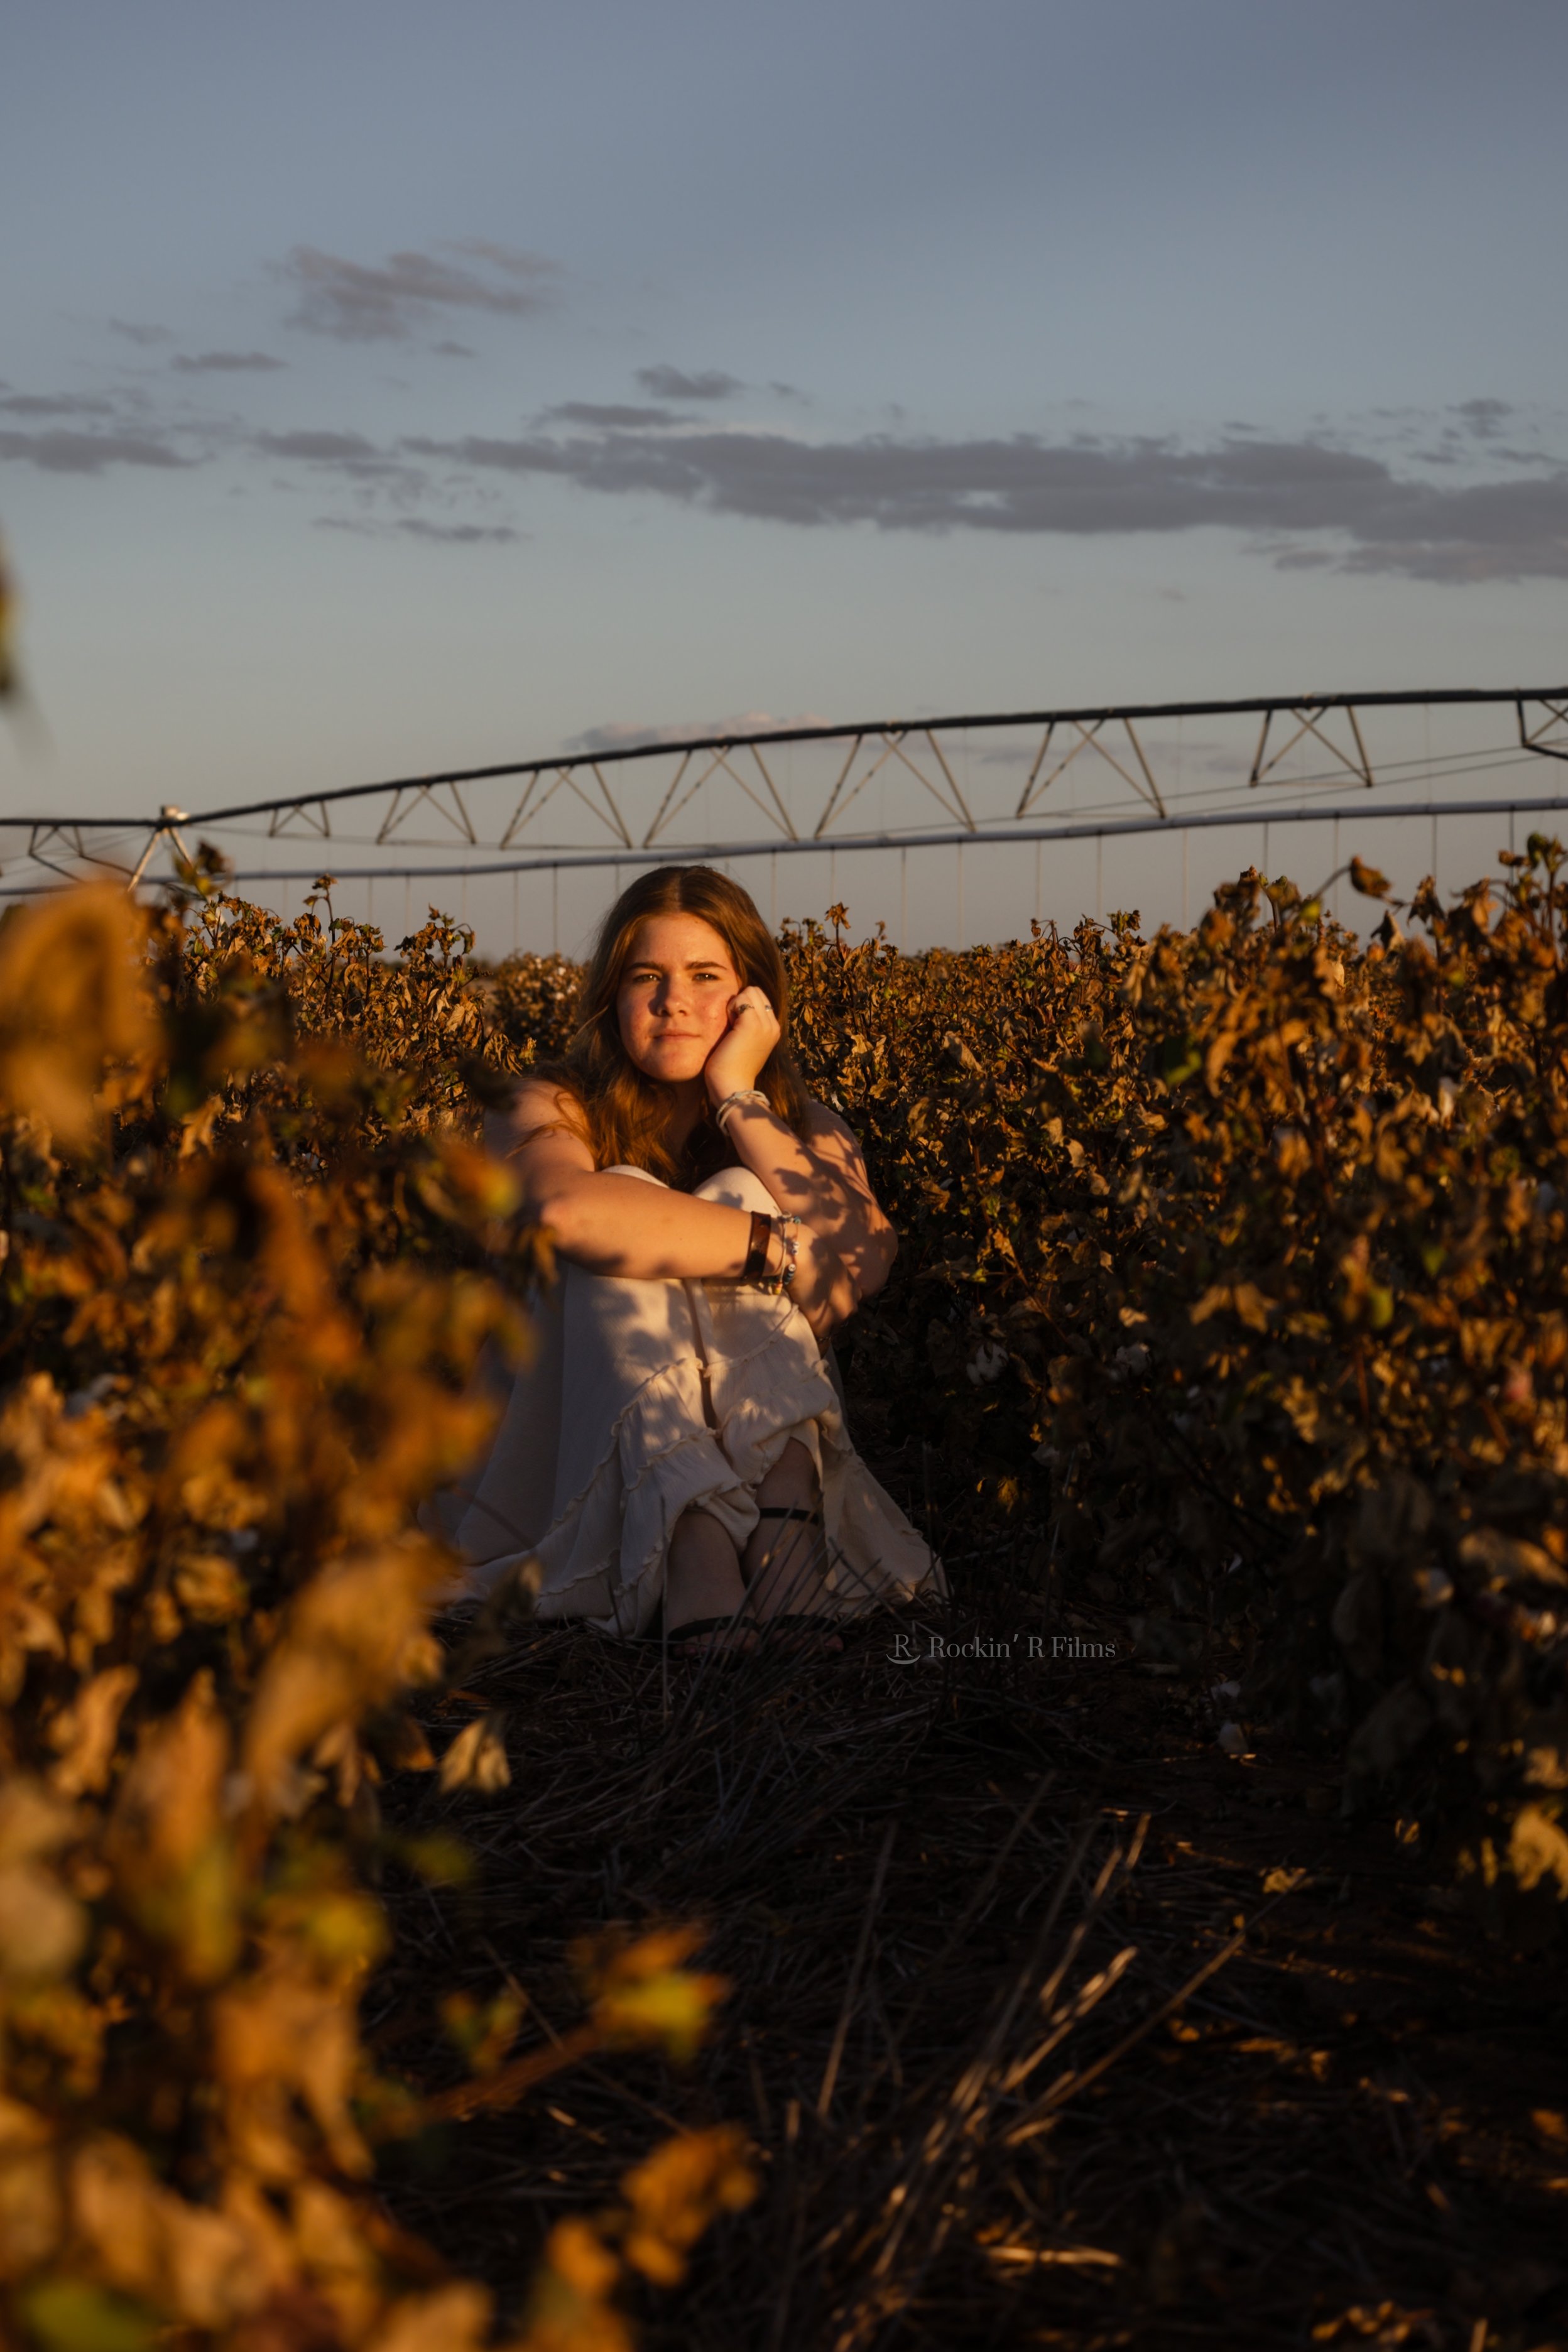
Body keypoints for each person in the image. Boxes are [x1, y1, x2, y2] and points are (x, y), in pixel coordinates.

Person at [454, 864, 944, 1649]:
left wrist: (737, 1093)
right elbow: (564, 1209)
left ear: (753, 998)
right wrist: (777, 1248)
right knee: (622, 1197)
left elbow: (865, 1254)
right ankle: (694, 1544)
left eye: (705, 975)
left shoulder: (799, 1123)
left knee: (744, 1185)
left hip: (762, 1466)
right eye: (646, 976)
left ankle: (788, 1519)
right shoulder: (545, 1104)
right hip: (560, 1467)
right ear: (613, 1000)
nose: (673, 1000)